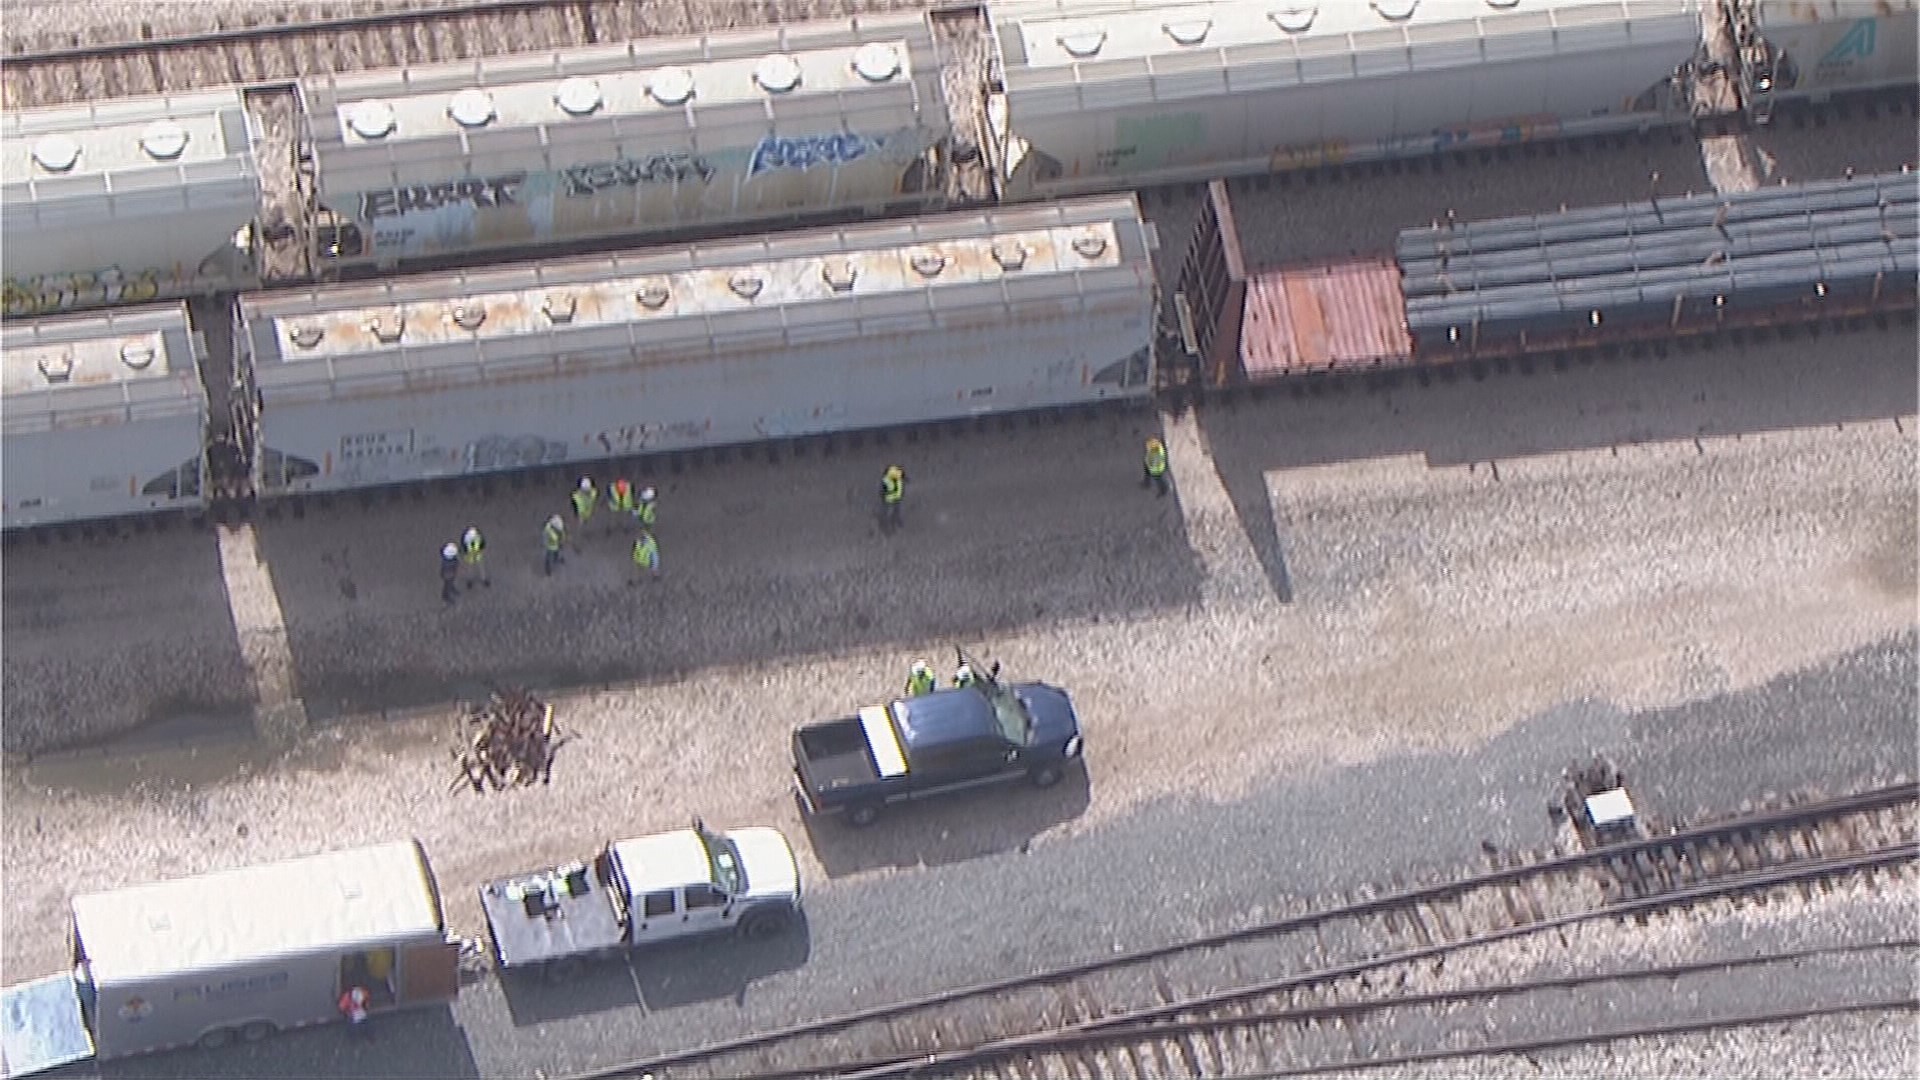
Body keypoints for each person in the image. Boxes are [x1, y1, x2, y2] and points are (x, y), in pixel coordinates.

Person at [570, 477, 597, 547]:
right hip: (580, 513)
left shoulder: (593, 493)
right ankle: (578, 537)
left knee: (585, 522)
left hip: (588, 512)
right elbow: (575, 506)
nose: (587, 492)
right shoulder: (576, 497)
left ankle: (584, 532)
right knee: (580, 524)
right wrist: (577, 514)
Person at [879, 465, 905, 533]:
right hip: (892, 498)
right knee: (892, 511)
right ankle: (890, 525)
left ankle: (892, 524)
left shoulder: (889, 479)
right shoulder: (894, 478)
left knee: (893, 511)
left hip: (892, 498)